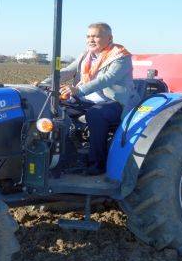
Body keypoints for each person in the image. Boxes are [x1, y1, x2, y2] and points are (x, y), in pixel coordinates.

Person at [42, 22, 140, 175]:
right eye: (88, 36)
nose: (91, 40)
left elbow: (107, 79)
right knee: (57, 109)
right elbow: (68, 71)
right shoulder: (86, 54)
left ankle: (97, 164)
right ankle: (65, 157)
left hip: (116, 102)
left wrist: (78, 89)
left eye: (96, 36)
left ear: (109, 38)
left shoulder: (121, 57)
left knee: (96, 114)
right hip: (88, 99)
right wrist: (44, 83)